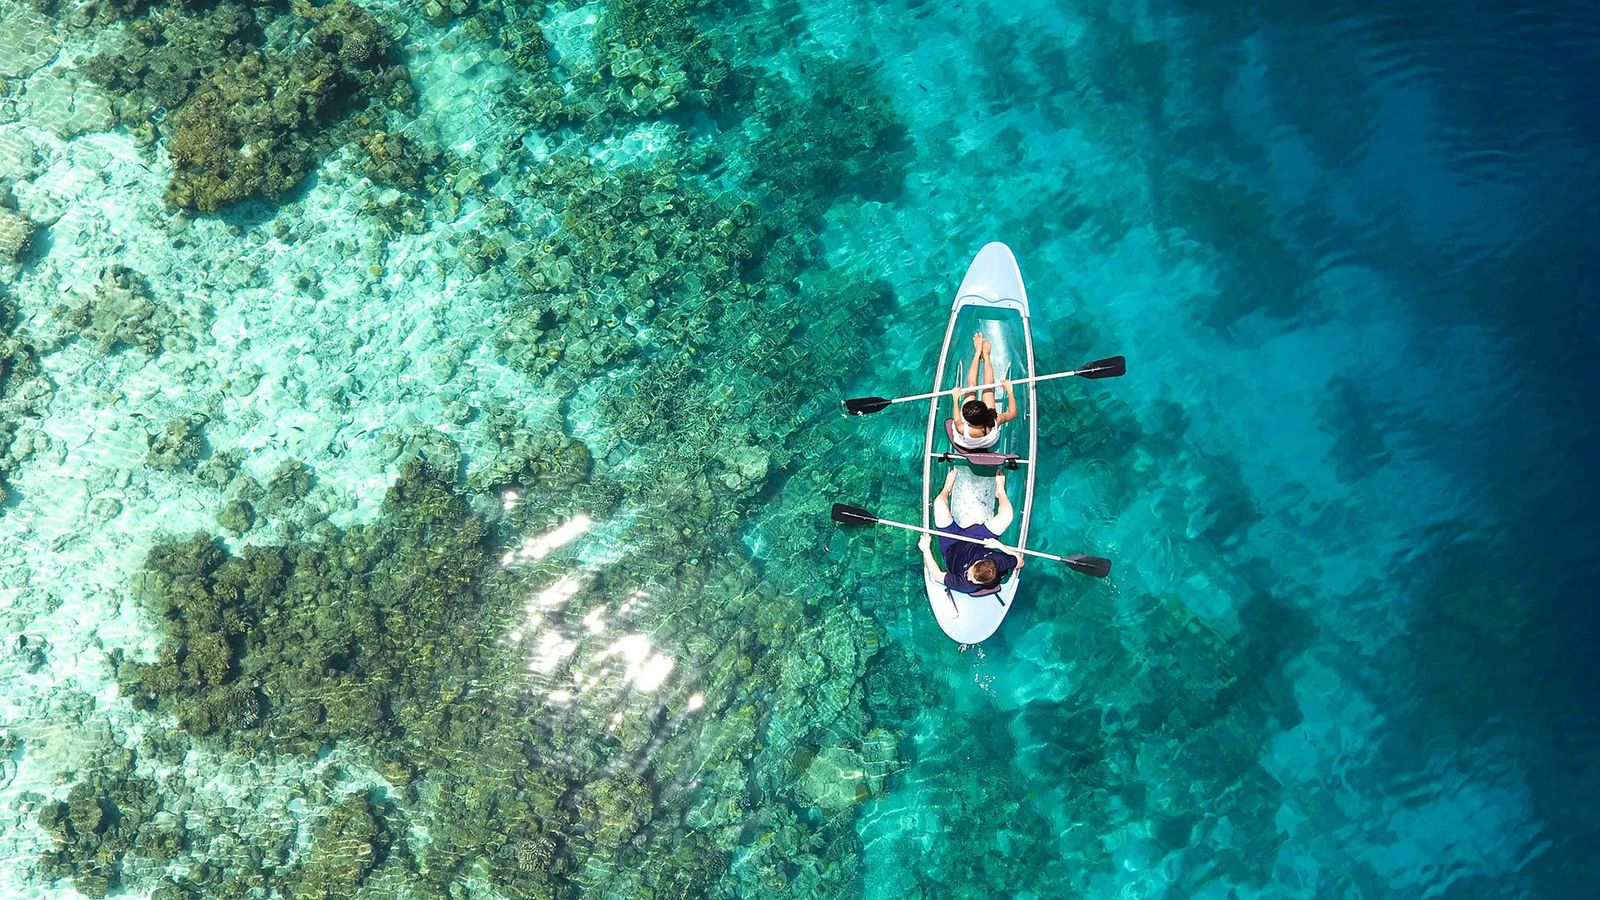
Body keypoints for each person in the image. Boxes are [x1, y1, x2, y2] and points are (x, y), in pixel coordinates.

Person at [917, 469, 1025, 594]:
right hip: (977, 540)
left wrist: (926, 549)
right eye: (971, 573)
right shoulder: (998, 561)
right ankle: (999, 491)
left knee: (939, 503)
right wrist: (998, 545)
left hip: (951, 545)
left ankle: (946, 489)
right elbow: (1020, 562)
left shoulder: (966, 585)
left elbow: (936, 575)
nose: (968, 577)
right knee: (1007, 515)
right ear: (979, 562)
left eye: (973, 579)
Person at [951, 332, 1018, 451]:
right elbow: (1012, 413)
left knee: (971, 388)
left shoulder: (961, 428)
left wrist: (955, 399)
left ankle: (977, 353)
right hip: (989, 442)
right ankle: (986, 356)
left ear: (966, 419)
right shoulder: (994, 420)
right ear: (986, 411)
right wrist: (1010, 391)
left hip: (967, 443)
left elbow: (956, 419)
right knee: (988, 389)